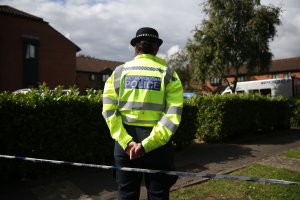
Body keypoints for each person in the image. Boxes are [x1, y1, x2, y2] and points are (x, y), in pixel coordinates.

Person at [102, 27, 183, 200]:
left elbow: (109, 111)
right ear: (156, 48)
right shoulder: (169, 74)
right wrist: (147, 145)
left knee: (126, 195)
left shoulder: (118, 73)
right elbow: (172, 116)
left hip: (125, 146)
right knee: (158, 196)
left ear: (136, 47)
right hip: (158, 147)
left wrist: (126, 141)